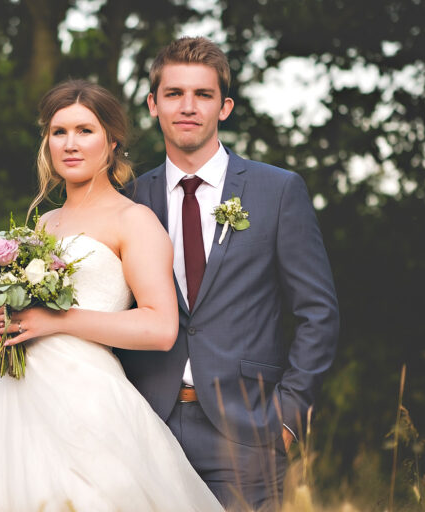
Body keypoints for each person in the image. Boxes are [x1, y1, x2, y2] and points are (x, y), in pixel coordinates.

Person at [0, 80, 223, 512]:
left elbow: (160, 326)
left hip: (87, 401)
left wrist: (60, 321)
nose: (70, 144)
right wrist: (2, 327)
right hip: (17, 400)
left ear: (112, 142)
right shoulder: (41, 224)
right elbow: (28, 311)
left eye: (85, 131)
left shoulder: (134, 220)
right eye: (59, 132)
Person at [115, 37, 340, 510]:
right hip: (143, 423)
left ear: (225, 106)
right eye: (174, 94)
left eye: (203, 94)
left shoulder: (276, 191)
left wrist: (288, 415)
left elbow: (317, 312)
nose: (188, 107)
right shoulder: (128, 199)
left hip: (249, 431)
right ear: (154, 105)